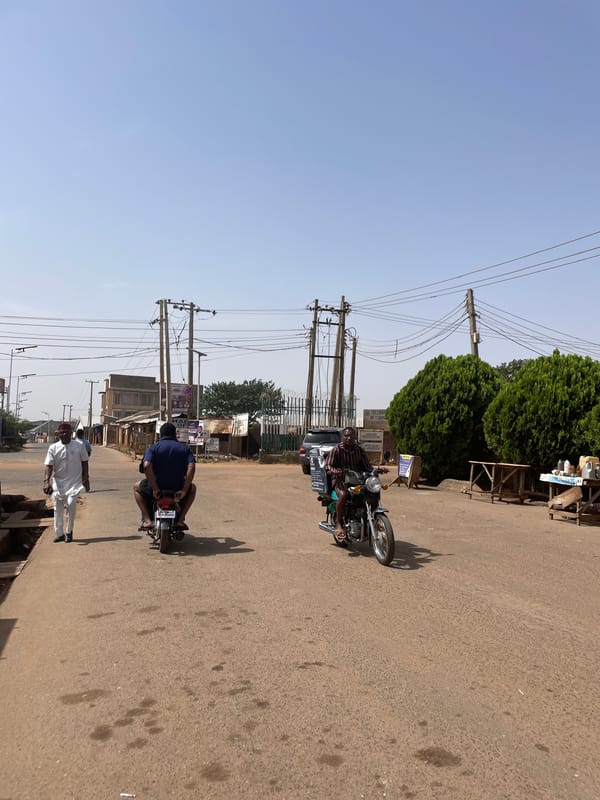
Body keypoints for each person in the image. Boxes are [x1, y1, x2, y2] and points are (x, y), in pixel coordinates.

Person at [325, 426, 386, 542]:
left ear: (355, 437)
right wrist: (336, 471)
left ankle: (371, 519)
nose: (349, 438)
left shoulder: (358, 450)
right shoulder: (337, 450)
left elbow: (367, 466)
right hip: (340, 481)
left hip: (358, 480)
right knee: (344, 495)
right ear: (342, 437)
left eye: (351, 436)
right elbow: (328, 466)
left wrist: (377, 470)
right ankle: (339, 524)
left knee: (373, 492)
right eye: (346, 436)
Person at [134, 421, 196, 531]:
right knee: (193, 488)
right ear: (174, 434)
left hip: (157, 488)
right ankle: (180, 520)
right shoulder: (185, 448)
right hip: (178, 487)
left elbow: (147, 465)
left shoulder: (153, 448)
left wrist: (155, 488)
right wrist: (184, 490)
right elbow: (191, 467)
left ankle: (147, 520)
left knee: (136, 487)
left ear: (161, 434)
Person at [43, 421, 90, 543]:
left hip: (74, 482)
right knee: (57, 508)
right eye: (62, 432)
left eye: (67, 432)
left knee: (71, 504)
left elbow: (85, 462)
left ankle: (69, 532)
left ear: (71, 433)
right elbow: (49, 465)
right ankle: (59, 534)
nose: (64, 434)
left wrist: (86, 478)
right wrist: (46, 481)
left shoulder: (79, 446)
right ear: (58, 434)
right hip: (59, 483)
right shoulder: (53, 448)